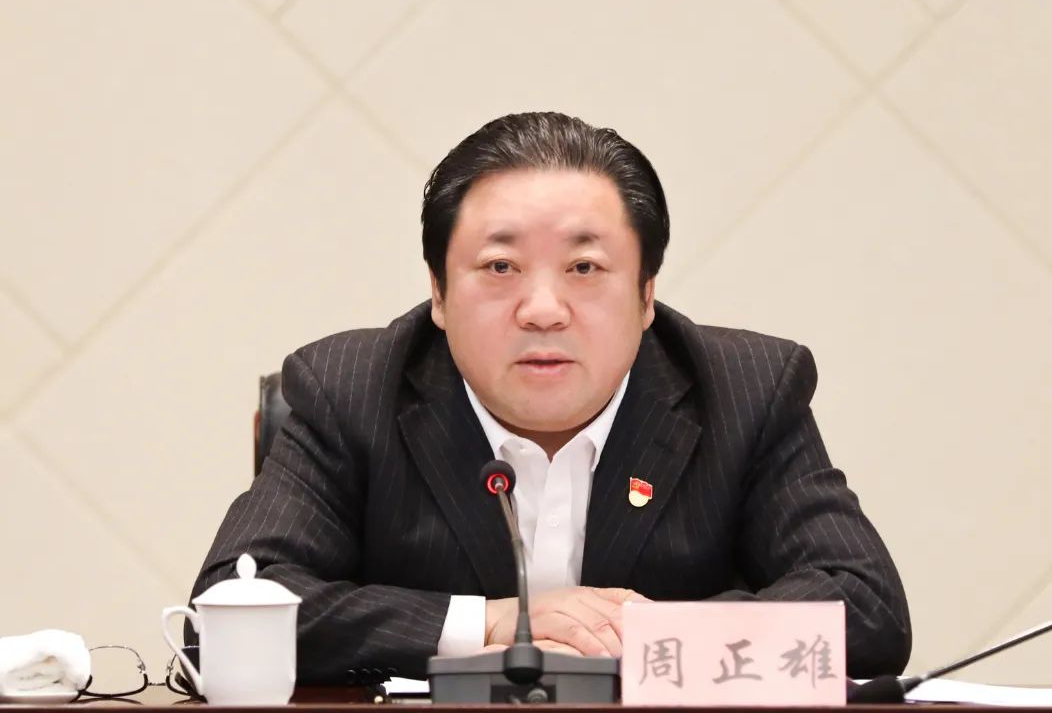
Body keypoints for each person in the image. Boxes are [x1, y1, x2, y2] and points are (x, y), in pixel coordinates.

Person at [188, 112, 911, 682]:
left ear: (646, 295)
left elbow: (867, 607)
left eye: (585, 267)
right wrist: (492, 625)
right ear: (439, 293)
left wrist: (647, 637)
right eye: (500, 266)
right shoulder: (351, 389)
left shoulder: (745, 391)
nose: (542, 309)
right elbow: (222, 611)